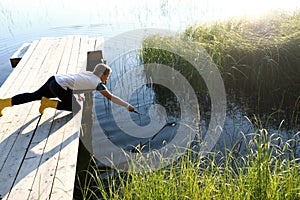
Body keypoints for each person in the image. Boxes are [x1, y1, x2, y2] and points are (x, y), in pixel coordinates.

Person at [0, 63, 135, 117]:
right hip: (58, 86)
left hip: (54, 79)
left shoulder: (89, 74)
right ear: (102, 75)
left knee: (33, 95)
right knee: (75, 107)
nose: (107, 79)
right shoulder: (98, 83)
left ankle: (4, 103)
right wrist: (127, 105)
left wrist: (79, 94)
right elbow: (111, 97)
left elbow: (78, 82)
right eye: (107, 76)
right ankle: (48, 103)